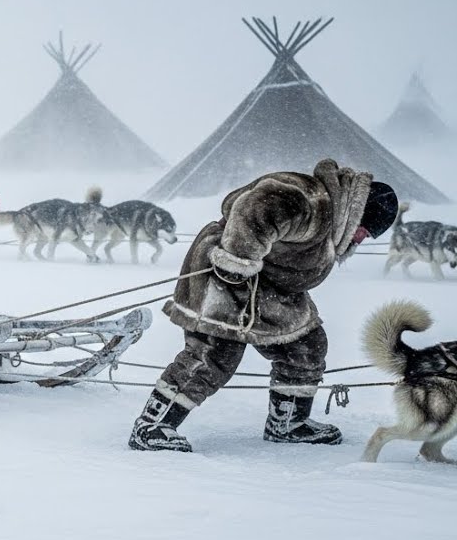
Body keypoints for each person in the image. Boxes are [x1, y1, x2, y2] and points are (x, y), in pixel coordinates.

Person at [128, 158, 399, 452]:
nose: (361, 239)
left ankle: (288, 424)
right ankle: (152, 427)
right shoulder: (310, 200)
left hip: (270, 290)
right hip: (228, 279)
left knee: (306, 345)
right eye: (365, 230)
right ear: (357, 212)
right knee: (215, 353)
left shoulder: (332, 222)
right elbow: (256, 207)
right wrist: (237, 260)